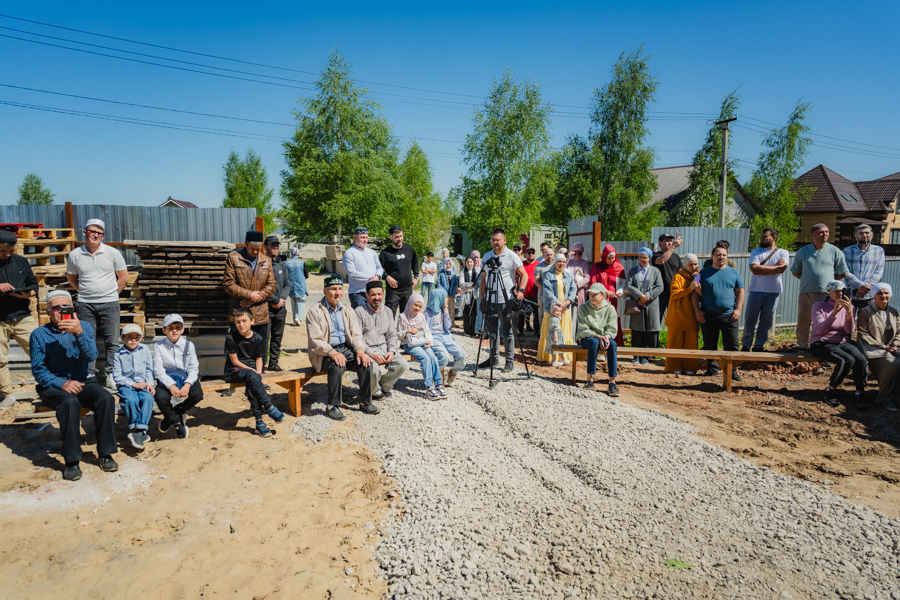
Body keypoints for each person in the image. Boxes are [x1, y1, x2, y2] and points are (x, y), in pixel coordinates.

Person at [31, 290, 118, 481]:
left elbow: (91, 356)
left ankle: (106, 453)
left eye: (66, 307)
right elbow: (38, 370)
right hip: (52, 385)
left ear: (73, 309)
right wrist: (62, 383)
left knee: (105, 398)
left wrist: (78, 333)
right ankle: (72, 461)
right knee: (70, 402)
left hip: (81, 381)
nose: (61, 310)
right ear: (48, 312)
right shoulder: (39, 334)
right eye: (56, 308)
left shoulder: (83, 326)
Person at [306, 274, 380, 420]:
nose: (337, 292)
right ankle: (332, 406)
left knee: (365, 362)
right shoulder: (315, 311)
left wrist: (360, 351)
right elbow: (315, 340)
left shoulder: (347, 310)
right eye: (333, 289)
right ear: (324, 291)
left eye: (340, 289)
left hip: (345, 348)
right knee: (337, 365)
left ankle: (365, 402)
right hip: (323, 353)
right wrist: (332, 352)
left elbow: (356, 335)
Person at [66, 218, 129, 388]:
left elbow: (123, 277)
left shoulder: (112, 253)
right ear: (85, 232)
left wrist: (112, 294)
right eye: (92, 231)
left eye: (100, 233)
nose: (96, 235)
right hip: (85, 304)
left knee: (112, 340)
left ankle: (112, 374)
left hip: (110, 303)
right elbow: (71, 278)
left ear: (103, 236)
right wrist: (84, 292)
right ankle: (90, 373)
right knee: (87, 339)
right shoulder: (75, 254)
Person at [224, 307, 286, 437]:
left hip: (251, 372)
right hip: (234, 370)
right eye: (238, 322)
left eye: (244, 321)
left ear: (252, 321)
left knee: (253, 384)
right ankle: (269, 407)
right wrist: (252, 371)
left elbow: (259, 359)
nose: (241, 324)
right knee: (252, 377)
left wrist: (258, 372)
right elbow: (234, 361)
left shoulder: (258, 338)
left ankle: (259, 422)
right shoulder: (231, 338)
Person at [810, 280, 867, 408]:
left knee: (861, 359)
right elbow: (820, 329)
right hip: (822, 342)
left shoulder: (850, 307)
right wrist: (834, 313)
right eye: (836, 291)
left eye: (842, 291)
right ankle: (830, 390)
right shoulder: (818, 306)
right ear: (829, 293)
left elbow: (849, 331)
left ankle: (859, 392)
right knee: (847, 360)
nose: (840, 294)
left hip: (841, 342)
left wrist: (849, 314)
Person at [691, 244, 744, 382]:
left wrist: (738, 309)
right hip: (708, 315)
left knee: (732, 345)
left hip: (729, 315)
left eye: (724, 255)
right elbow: (695, 293)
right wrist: (697, 310)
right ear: (712, 256)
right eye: (718, 254)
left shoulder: (734, 273)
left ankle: (732, 371)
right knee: (710, 344)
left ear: (727, 257)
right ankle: (712, 369)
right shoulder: (701, 273)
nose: (721, 257)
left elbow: (740, 292)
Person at [791, 223, 848, 349]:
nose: (825, 234)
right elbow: (795, 271)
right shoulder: (803, 251)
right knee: (803, 320)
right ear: (812, 234)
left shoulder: (835, 251)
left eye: (827, 232)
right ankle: (802, 345)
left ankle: (823, 344)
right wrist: (809, 279)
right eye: (821, 232)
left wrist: (830, 284)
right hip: (807, 292)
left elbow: (842, 272)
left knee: (825, 320)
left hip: (827, 294)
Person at [479, 229, 527, 372]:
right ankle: (493, 359)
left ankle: (509, 361)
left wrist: (521, 291)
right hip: (490, 300)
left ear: (504, 240)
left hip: (506, 300)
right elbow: (483, 279)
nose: (495, 242)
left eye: (498, 240)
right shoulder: (487, 256)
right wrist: (482, 298)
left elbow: (524, 275)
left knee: (507, 331)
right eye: (493, 240)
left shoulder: (511, 255)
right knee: (492, 332)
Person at [0, 229, 38, 409]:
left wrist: (28, 294)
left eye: (11, 251)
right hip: (0, 319)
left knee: (42, 351)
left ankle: (50, 388)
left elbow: (34, 285)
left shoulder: (21, 262)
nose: (7, 254)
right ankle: (8, 395)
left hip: (22, 316)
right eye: (2, 251)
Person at [355, 281, 408, 399]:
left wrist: (392, 351)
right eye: (373, 295)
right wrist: (371, 354)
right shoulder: (359, 312)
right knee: (374, 370)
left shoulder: (387, 311)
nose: (377, 297)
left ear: (383, 294)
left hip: (384, 348)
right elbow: (357, 338)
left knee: (402, 364)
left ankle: (385, 385)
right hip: (367, 350)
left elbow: (391, 334)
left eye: (379, 294)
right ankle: (375, 391)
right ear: (367, 295)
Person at [153, 314, 203, 439]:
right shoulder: (159, 346)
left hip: (185, 376)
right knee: (160, 397)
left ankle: (175, 413)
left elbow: (193, 368)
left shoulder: (189, 345)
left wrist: (187, 384)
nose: (174, 331)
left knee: (197, 394)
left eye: (177, 328)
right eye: (170, 328)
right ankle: (177, 422)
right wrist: (171, 385)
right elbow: (158, 369)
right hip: (167, 377)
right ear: (164, 330)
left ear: (182, 329)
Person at [742, 228, 790, 352]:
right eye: (762, 236)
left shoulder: (783, 252)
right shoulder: (756, 252)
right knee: (750, 319)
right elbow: (754, 270)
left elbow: (781, 270)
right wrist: (775, 268)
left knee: (766, 320)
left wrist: (761, 268)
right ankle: (746, 345)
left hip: (773, 291)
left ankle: (759, 345)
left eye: (765, 236)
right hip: (756, 290)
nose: (762, 238)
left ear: (774, 238)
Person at [224, 230, 276, 343]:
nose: (255, 252)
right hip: (239, 314)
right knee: (238, 348)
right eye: (253, 249)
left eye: (258, 249)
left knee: (260, 349)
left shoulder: (266, 261)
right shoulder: (234, 258)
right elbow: (228, 284)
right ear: (245, 244)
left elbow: (272, 284)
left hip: (260, 315)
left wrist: (256, 297)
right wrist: (249, 294)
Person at [857, 283, 900, 411]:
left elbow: (899, 332)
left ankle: (897, 397)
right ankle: (884, 399)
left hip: (891, 348)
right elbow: (863, 334)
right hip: (872, 348)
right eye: (879, 293)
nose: (883, 296)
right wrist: (883, 347)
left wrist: (895, 343)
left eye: (886, 293)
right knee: (893, 364)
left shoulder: (893, 312)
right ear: (874, 296)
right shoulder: (865, 312)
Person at [112, 323, 155, 451]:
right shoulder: (118, 355)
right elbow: (117, 376)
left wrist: (150, 384)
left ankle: (140, 429)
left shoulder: (144, 350)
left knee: (148, 398)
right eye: (129, 337)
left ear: (141, 338)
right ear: (122, 338)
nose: (133, 340)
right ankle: (136, 429)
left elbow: (149, 369)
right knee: (131, 400)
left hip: (143, 383)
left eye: (137, 337)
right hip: (126, 385)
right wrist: (133, 384)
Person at [398, 293, 446, 400]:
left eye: (420, 306)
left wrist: (430, 342)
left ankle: (438, 384)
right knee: (425, 358)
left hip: (422, 342)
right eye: (415, 305)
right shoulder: (402, 317)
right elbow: (397, 335)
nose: (417, 308)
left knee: (433, 357)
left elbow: (427, 331)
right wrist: (407, 331)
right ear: (410, 303)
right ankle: (429, 387)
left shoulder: (421, 317)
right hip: (409, 344)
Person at [575, 284, 619, 397]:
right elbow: (583, 328)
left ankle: (612, 382)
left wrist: (607, 336)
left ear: (603, 295)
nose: (592, 297)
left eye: (595, 294)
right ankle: (589, 380)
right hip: (587, 337)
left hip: (604, 337)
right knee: (593, 343)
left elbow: (612, 327)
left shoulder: (610, 308)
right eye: (590, 294)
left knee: (613, 345)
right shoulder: (583, 308)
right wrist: (596, 336)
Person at [626, 247, 664, 364]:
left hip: (651, 304)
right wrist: (639, 296)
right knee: (637, 330)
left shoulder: (655, 271)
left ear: (649, 258)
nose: (643, 259)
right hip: (637, 303)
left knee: (650, 330)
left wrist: (647, 296)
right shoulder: (632, 270)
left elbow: (660, 287)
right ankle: (636, 355)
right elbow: (629, 285)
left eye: (645, 257)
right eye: (641, 257)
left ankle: (646, 356)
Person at [664, 253, 701, 375]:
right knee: (675, 342)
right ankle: (673, 367)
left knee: (691, 343)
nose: (694, 267)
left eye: (695, 264)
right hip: (677, 315)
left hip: (692, 315)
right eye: (691, 264)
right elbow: (674, 294)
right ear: (685, 265)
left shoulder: (699, 276)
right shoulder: (678, 277)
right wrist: (689, 289)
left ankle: (690, 367)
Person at [537, 253, 576, 365]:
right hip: (552, 308)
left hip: (566, 308)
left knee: (563, 332)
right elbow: (548, 291)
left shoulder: (568, 275)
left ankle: (564, 357)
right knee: (551, 332)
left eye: (564, 262)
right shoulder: (549, 275)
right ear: (555, 262)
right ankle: (551, 358)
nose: (562, 264)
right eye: (559, 261)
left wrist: (567, 302)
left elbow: (573, 289)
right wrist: (559, 304)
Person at [425, 288, 467, 387]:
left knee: (462, 355)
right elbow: (424, 330)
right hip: (433, 337)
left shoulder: (444, 310)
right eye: (445, 297)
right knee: (444, 357)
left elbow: (448, 326)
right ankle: (434, 375)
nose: (447, 299)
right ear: (438, 299)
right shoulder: (427, 313)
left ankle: (453, 372)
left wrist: (445, 313)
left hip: (445, 336)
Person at [589, 244, 626, 347]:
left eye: (612, 258)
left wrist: (620, 291)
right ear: (604, 257)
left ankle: (615, 343)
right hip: (601, 298)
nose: (610, 260)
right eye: (608, 258)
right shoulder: (597, 267)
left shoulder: (618, 267)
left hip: (614, 299)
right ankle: (602, 343)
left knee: (613, 319)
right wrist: (604, 291)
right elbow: (593, 283)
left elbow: (623, 282)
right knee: (601, 319)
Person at [843, 224, 885, 312]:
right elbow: (845, 271)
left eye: (867, 233)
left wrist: (866, 287)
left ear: (872, 235)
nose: (864, 235)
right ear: (856, 236)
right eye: (861, 233)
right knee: (847, 319)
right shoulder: (847, 251)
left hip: (869, 294)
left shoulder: (879, 251)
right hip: (850, 293)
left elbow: (879, 271)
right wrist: (860, 285)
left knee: (868, 319)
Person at [264, 235, 290, 371]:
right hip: (266, 308)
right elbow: (260, 287)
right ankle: (261, 365)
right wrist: (274, 300)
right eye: (272, 245)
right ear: (265, 247)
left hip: (280, 308)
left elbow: (287, 284)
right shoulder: (261, 264)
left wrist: (282, 300)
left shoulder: (281, 264)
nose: (275, 247)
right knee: (264, 338)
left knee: (277, 338)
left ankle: (273, 363)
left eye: (277, 245)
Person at [379, 225, 419, 316]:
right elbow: (379, 269)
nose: (399, 239)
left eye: (401, 236)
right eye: (397, 237)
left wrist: (416, 277)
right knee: (389, 315)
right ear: (391, 237)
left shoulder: (410, 249)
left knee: (406, 316)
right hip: (393, 291)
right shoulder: (385, 253)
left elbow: (415, 264)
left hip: (407, 289)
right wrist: (387, 277)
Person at [342, 227, 383, 309]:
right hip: (358, 293)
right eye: (362, 237)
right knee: (360, 315)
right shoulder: (349, 253)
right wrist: (371, 279)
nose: (365, 240)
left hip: (373, 292)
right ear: (355, 237)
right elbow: (352, 272)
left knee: (373, 315)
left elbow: (379, 267)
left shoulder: (372, 252)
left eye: (366, 237)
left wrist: (378, 276)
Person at [652, 232, 684, 322]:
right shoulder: (656, 255)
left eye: (670, 240)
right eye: (667, 240)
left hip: (674, 292)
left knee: (675, 320)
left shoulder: (676, 256)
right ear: (660, 243)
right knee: (656, 320)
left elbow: (681, 272)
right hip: (660, 293)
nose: (670, 242)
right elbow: (661, 261)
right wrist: (673, 246)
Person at [532, 243, 555, 334]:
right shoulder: (539, 267)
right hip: (542, 294)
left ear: (554, 255)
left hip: (555, 294)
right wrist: (547, 290)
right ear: (544, 255)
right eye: (547, 255)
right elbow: (537, 282)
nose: (549, 256)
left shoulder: (556, 265)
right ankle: (543, 334)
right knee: (542, 314)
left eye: (551, 255)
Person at [284, 248, 309, 326]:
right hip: (301, 285)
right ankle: (298, 318)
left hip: (290, 285)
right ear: (298, 253)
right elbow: (306, 274)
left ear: (291, 253)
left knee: (293, 302)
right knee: (301, 301)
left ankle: (295, 319)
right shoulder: (302, 262)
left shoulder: (286, 263)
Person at [520, 247, 540, 334]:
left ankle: (537, 331)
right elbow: (516, 278)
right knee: (522, 313)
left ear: (535, 254)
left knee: (536, 314)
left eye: (532, 253)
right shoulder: (521, 264)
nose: (531, 254)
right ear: (525, 254)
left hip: (536, 293)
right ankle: (520, 330)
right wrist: (517, 290)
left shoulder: (539, 264)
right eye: (529, 253)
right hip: (523, 293)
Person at [460, 257, 479, 336]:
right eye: (468, 262)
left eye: (471, 262)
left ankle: (472, 330)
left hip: (474, 295)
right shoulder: (463, 271)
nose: (469, 264)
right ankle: (467, 330)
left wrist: (468, 286)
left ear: (473, 263)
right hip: (465, 294)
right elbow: (461, 284)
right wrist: (472, 285)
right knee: (466, 312)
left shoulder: (476, 271)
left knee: (473, 313)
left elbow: (477, 284)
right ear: (466, 263)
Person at [544, 301, 566, 366]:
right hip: (554, 335)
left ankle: (563, 359)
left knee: (559, 347)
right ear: (552, 311)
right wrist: (555, 337)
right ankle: (554, 360)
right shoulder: (553, 319)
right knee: (554, 348)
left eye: (560, 311)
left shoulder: (556, 318)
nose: (559, 313)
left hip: (557, 334)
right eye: (557, 311)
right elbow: (555, 329)